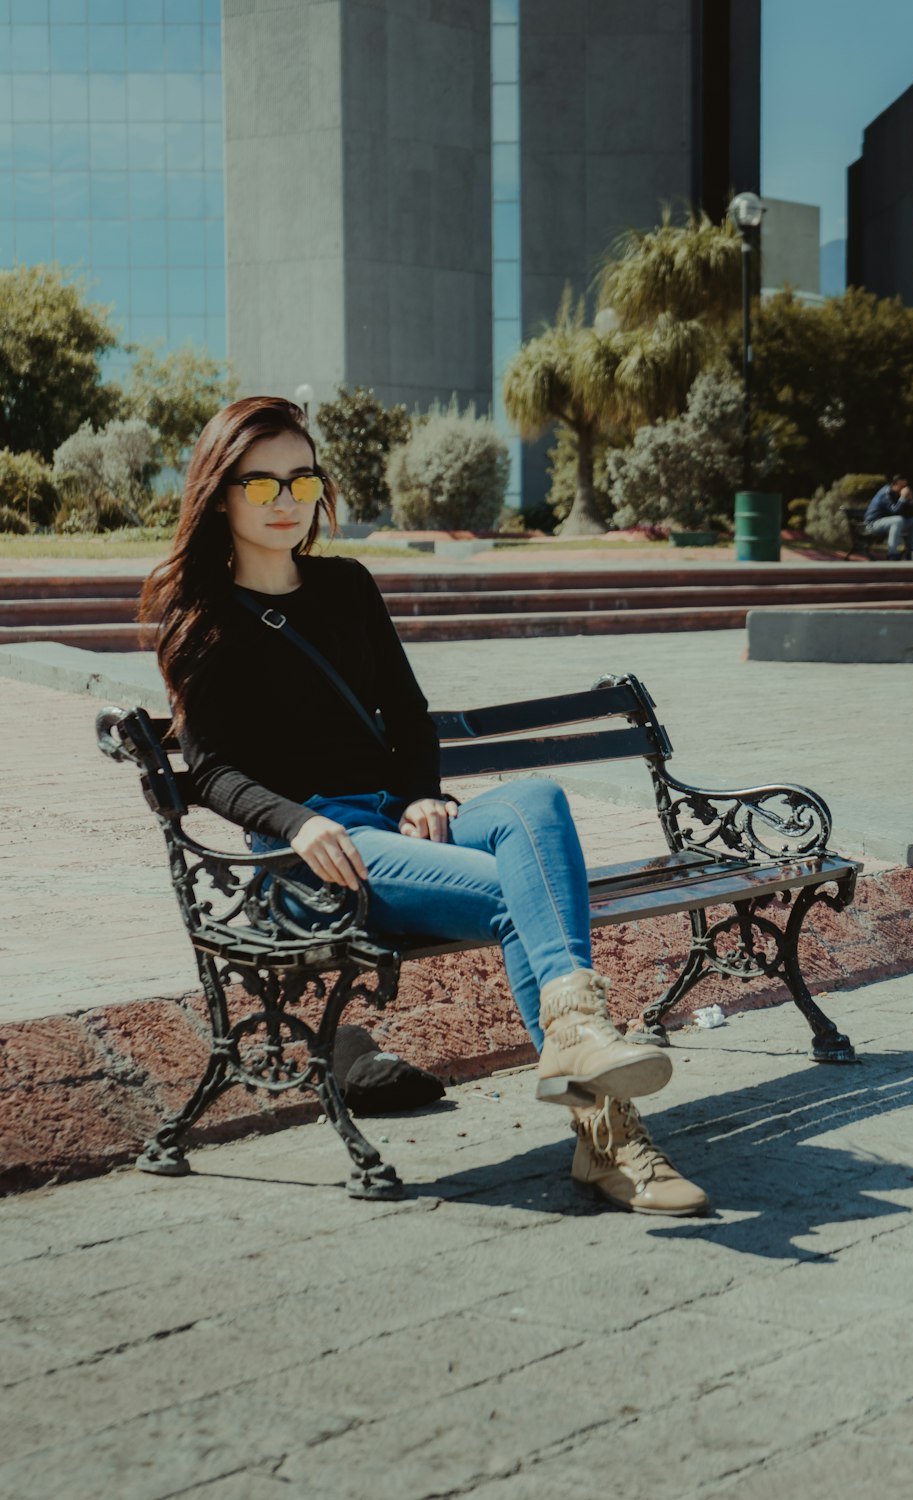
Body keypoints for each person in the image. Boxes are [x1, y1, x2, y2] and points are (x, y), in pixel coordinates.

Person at [139, 396, 709, 1217]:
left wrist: (419, 796)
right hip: (315, 860)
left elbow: (406, 715)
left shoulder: (346, 585)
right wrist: (301, 822)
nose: (286, 499)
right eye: (261, 484)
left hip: (392, 823)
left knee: (535, 800)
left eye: (301, 477)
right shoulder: (203, 618)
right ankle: (613, 1143)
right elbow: (216, 771)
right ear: (220, 492)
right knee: (527, 900)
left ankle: (577, 1031)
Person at [863, 474, 913, 560]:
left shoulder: (898, 493)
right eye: (902, 486)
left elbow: (909, 513)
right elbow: (894, 511)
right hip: (873, 523)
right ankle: (892, 554)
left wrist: (910, 501)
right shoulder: (885, 494)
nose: (904, 489)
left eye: (905, 486)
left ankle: (912, 552)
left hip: (888, 522)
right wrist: (903, 498)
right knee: (898, 520)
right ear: (894, 485)